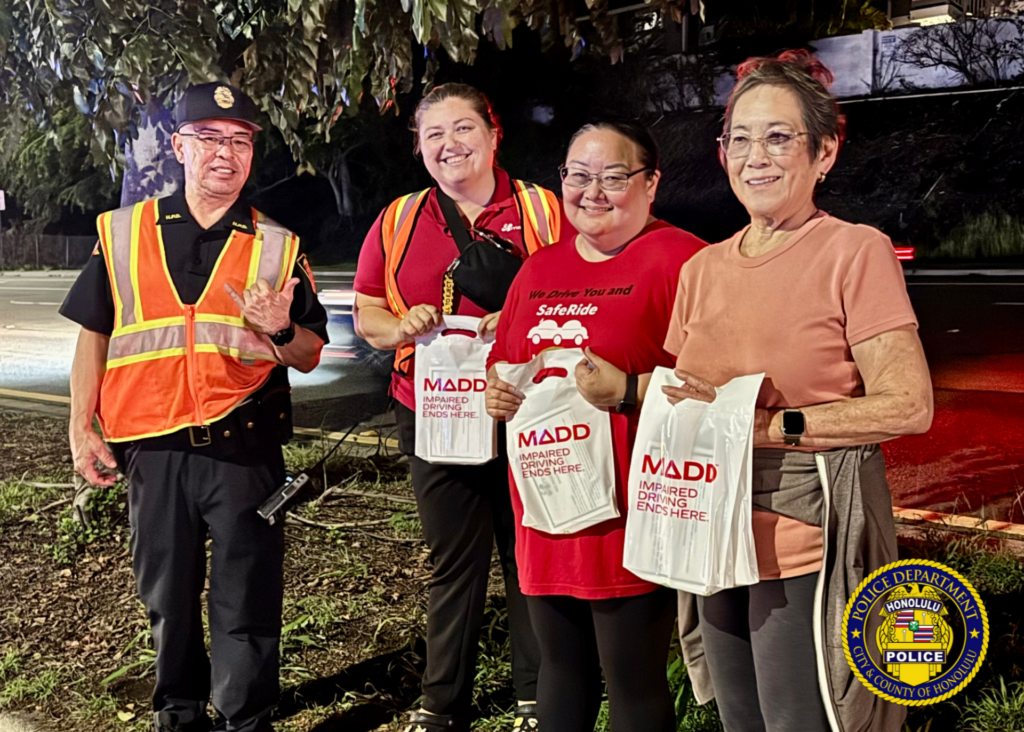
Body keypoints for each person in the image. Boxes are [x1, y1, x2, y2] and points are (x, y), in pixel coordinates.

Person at [661, 50, 933, 732]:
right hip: (708, 531)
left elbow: (909, 403)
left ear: (825, 152)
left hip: (803, 536)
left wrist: (770, 428)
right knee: (737, 719)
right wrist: (626, 392)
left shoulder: (853, 251)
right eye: (741, 138)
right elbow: (684, 395)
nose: (757, 156)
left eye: (779, 137)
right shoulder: (701, 267)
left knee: (800, 722)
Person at [61, 82, 328, 732]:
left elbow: (310, 353)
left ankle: (246, 721)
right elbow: (94, 332)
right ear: (179, 146)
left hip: (245, 451)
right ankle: (178, 716)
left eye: (239, 141)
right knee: (168, 603)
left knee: (247, 604)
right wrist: (80, 428)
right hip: (152, 453)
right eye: (208, 139)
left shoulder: (279, 246)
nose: (224, 154)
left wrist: (282, 328)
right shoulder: (123, 233)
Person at [352, 83, 564, 732]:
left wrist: (522, 317)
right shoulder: (398, 220)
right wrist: (400, 328)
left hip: (526, 404)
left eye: (464, 128)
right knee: (454, 559)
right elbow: (365, 311)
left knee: (528, 549)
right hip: (431, 407)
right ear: (418, 147)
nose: (451, 145)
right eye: (434, 134)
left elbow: (581, 293)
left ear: (495, 136)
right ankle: (442, 704)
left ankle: (537, 696)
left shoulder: (543, 211)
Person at [485, 121, 706, 732]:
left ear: (651, 182)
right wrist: (497, 392)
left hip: (631, 513)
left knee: (632, 681)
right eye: (578, 176)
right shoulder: (538, 270)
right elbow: (505, 363)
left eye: (614, 177)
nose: (593, 191)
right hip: (545, 506)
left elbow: (716, 389)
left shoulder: (682, 260)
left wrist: (630, 392)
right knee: (561, 671)